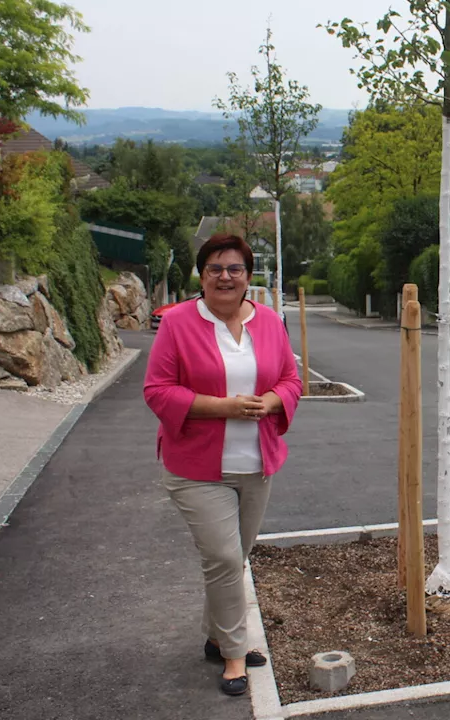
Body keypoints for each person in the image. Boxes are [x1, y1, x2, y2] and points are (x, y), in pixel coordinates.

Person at [143, 234, 302, 696]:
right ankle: (235, 654)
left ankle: (216, 636)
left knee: (232, 560)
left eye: (234, 268)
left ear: (248, 277)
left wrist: (271, 400)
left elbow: (291, 379)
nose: (225, 277)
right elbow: (157, 390)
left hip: (255, 463)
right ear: (201, 275)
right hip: (196, 468)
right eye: (215, 268)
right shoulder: (177, 324)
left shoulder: (270, 322)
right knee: (225, 558)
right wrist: (223, 407)